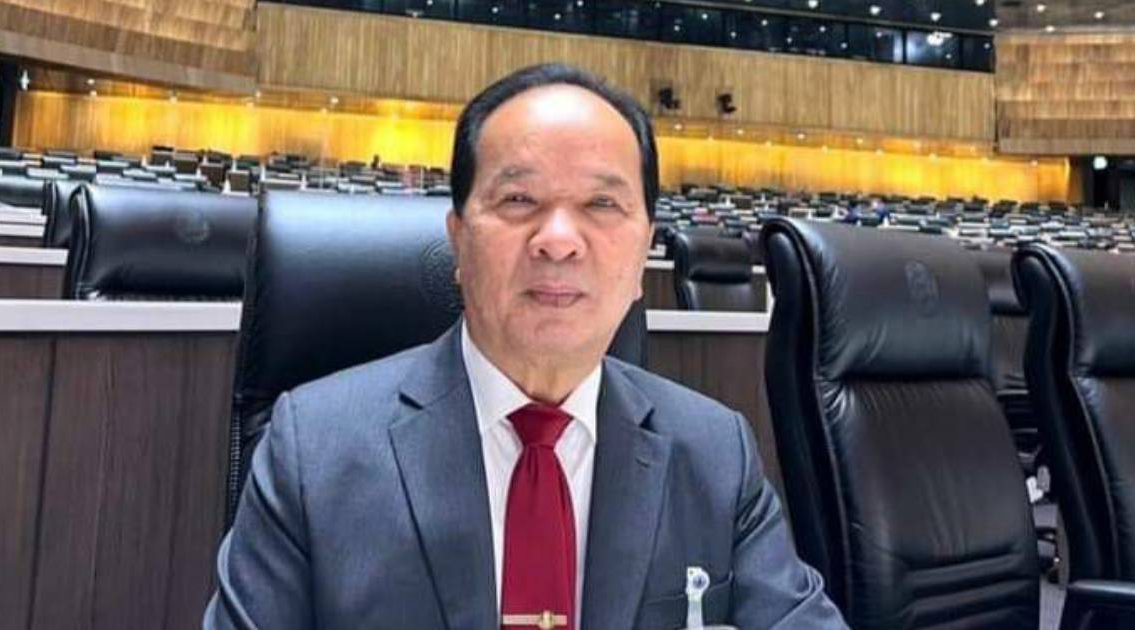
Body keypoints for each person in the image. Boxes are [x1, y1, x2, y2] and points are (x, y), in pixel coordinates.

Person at [204, 63, 846, 630]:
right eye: (518, 199)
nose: (559, 240)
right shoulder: (312, 448)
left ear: (644, 251)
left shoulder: (715, 453)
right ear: (458, 242)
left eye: (602, 202)